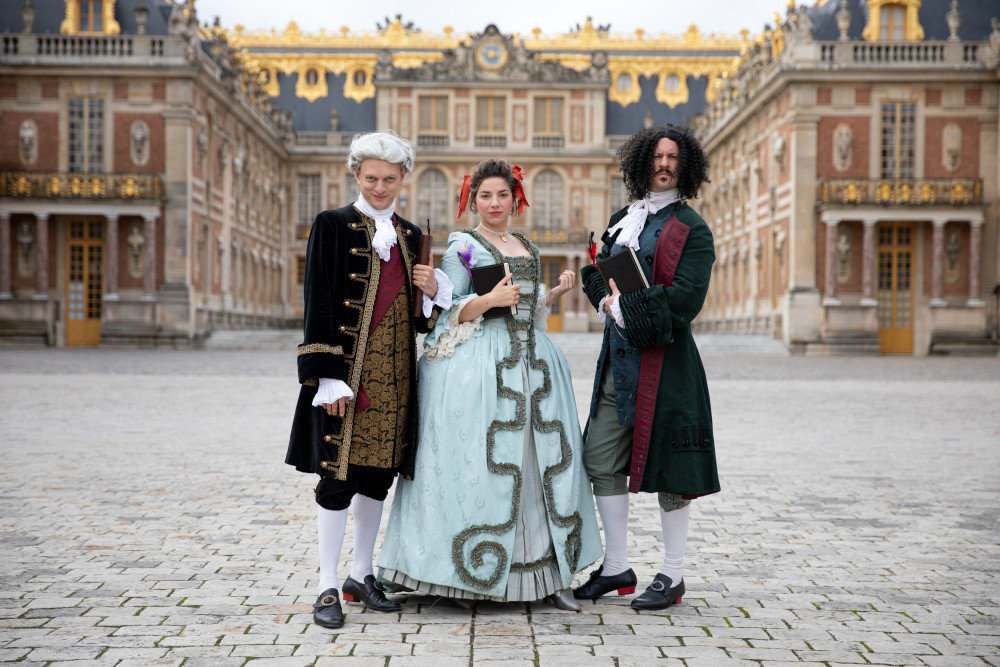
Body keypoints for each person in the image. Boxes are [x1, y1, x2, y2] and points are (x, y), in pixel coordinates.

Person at [378, 159, 602, 611]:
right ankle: (465, 580)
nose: (494, 203)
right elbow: (450, 308)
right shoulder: (463, 244)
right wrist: (490, 299)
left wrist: (554, 293)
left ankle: (550, 575)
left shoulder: (526, 244)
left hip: (536, 364)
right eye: (485, 196)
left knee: (542, 464)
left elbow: (529, 306)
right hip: (483, 365)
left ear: (514, 198)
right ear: (472, 201)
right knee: (484, 464)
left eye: (502, 195)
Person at [286, 131, 453, 629]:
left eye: (390, 178)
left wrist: (434, 292)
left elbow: (419, 322)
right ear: (357, 175)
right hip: (348, 378)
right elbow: (317, 301)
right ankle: (326, 585)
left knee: (376, 479)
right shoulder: (332, 225)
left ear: (403, 178)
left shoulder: (410, 235)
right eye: (372, 177)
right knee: (336, 479)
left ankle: (362, 575)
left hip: (395, 378)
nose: (381, 187)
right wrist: (326, 378)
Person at [574, 124, 719, 611]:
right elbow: (594, 270)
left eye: (673, 157)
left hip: (668, 366)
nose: (664, 164)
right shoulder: (623, 218)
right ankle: (617, 568)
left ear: (686, 165)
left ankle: (673, 575)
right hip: (618, 363)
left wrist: (625, 309)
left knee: (673, 471)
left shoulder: (693, 228)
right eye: (656, 156)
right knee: (599, 458)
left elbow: (685, 300)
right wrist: (607, 304)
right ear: (641, 162)